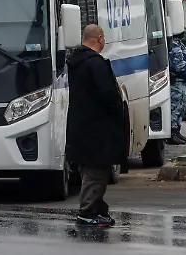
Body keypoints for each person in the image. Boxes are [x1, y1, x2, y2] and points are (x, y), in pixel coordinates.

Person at [66, 24, 127, 228]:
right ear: (100, 38)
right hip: (98, 129)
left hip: (81, 126)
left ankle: (98, 208)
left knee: (90, 171)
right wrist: (118, 108)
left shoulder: (75, 63)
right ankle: (87, 212)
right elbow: (108, 95)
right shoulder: (96, 64)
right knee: (96, 171)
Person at [168, 29, 186, 145]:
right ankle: (171, 133)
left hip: (182, 81)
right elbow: (178, 64)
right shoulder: (174, 44)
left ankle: (176, 131)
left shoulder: (178, 43)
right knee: (175, 107)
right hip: (177, 81)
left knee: (180, 107)